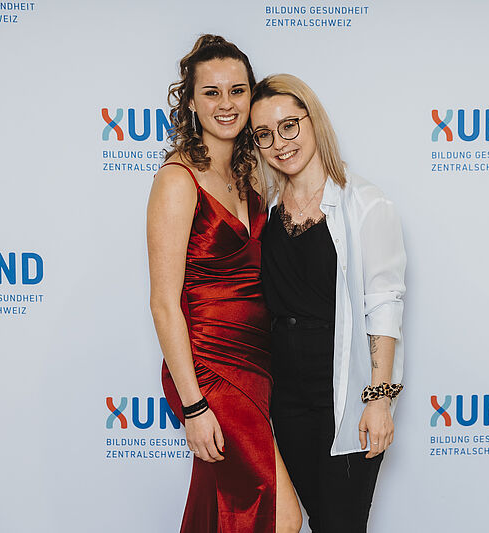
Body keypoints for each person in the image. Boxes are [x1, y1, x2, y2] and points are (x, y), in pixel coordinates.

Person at [147, 36, 301, 533]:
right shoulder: (178, 180)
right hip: (209, 368)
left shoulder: (249, 173)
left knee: (222, 508)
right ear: (191, 102)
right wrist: (194, 406)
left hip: (254, 362)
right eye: (211, 92)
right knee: (281, 517)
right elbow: (163, 304)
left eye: (237, 90)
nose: (226, 104)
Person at [250, 74, 407, 533]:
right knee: (321, 521)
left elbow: (384, 306)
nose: (280, 143)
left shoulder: (367, 204)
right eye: (264, 134)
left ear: (313, 120)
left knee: (342, 524)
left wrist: (378, 400)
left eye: (289, 125)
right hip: (286, 399)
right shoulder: (265, 210)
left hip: (344, 395)